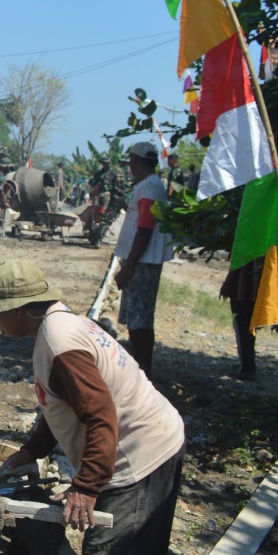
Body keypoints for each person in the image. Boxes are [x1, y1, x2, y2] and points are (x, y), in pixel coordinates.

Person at [0, 259, 185, 555]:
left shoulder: (60, 345)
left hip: (142, 452)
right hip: (133, 441)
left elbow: (101, 417)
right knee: (109, 552)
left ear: (21, 311)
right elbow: (63, 404)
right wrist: (33, 450)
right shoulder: (57, 326)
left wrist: (87, 486)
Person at [112, 141, 172, 378]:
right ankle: (141, 369)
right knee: (137, 319)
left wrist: (128, 266)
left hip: (143, 262)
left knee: (140, 320)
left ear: (134, 161)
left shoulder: (148, 188)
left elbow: (145, 228)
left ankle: (143, 372)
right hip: (142, 261)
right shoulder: (153, 185)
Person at [219, 259, 261, 380]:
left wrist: (227, 283)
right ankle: (247, 363)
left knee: (242, 327)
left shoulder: (246, 244)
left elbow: (238, 262)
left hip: (244, 290)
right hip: (257, 289)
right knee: (248, 326)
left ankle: (247, 368)